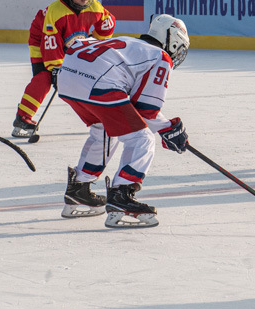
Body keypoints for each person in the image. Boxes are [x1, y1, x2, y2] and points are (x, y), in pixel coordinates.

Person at [56, 14, 190, 228]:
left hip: (67, 80)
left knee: (104, 129)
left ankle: (79, 189)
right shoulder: (159, 56)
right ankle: (122, 197)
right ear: (173, 40)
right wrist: (169, 129)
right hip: (99, 87)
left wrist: (166, 128)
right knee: (142, 138)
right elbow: (146, 109)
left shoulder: (129, 42)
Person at [12, 0, 116, 138]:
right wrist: (56, 68)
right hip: (42, 41)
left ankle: (97, 117)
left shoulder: (94, 7)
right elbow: (50, 43)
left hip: (68, 45)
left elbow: (107, 24)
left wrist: (92, 45)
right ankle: (22, 117)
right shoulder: (56, 11)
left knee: (85, 77)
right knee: (45, 77)